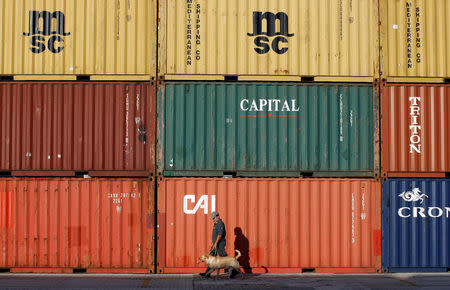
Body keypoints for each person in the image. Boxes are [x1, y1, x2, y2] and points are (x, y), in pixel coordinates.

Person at [200, 211, 227, 278]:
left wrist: (215, 243)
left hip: (219, 244)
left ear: (218, 216)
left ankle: (233, 271)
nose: (213, 219)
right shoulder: (216, 223)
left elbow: (220, 235)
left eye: (214, 218)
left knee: (225, 258)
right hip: (216, 244)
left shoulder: (220, 223)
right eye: (212, 218)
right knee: (210, 257)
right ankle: (207, 273)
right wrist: (214, 244)